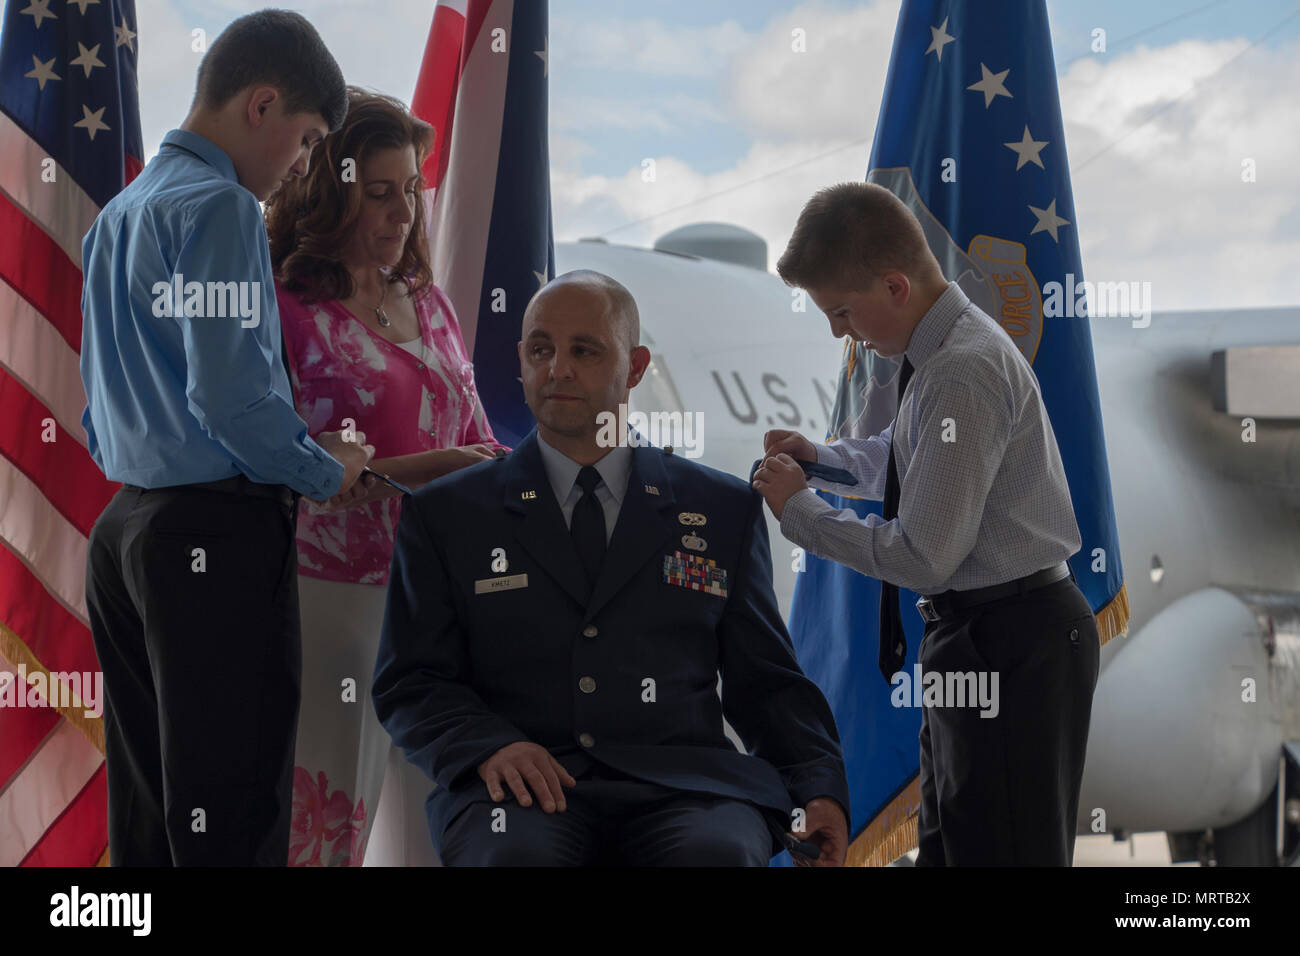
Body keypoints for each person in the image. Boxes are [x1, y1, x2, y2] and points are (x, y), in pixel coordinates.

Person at [372, 270, 851, 866]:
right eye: (541, 350)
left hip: (687, 786)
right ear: (521, 361)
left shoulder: (721, 509)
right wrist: (488, 747)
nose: (558, 369)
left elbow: (767, 680)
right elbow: (411, 681)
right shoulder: (448, 514)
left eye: (585, 350)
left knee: (716, 855)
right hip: (524, 787)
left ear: (636, 365)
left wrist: (818, 788)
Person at [80, 11, 374, 866]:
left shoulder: (121, 212)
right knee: (233, 815)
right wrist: (326, 469)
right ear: (263, 104)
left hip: (125, 533)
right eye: (309, 138)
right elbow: (231, 397)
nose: (303, 166)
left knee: (145, 811)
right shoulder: (222, 208)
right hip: (212, 534)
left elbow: (99, 402)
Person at [751, 181, 1100, 866]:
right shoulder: (940, 356)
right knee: (954, 848)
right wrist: (819, 461)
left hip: (1009, 640)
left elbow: (922, 557)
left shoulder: (959, 372)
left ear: (895, 286)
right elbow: (908, 461)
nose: (839, 331)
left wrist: (801, 515)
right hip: (986, 635)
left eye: (843, 311)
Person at [262, 87, 504, 866]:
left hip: (440, 599)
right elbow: (291, 471)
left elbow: (475, 435)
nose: (402, 214)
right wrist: (440, 467)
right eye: (377, 194)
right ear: (328, 190)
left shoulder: (428, 301)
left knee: (441, 829)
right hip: (332, 602)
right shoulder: (284, 311)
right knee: (326, 833)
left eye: (410, 192)